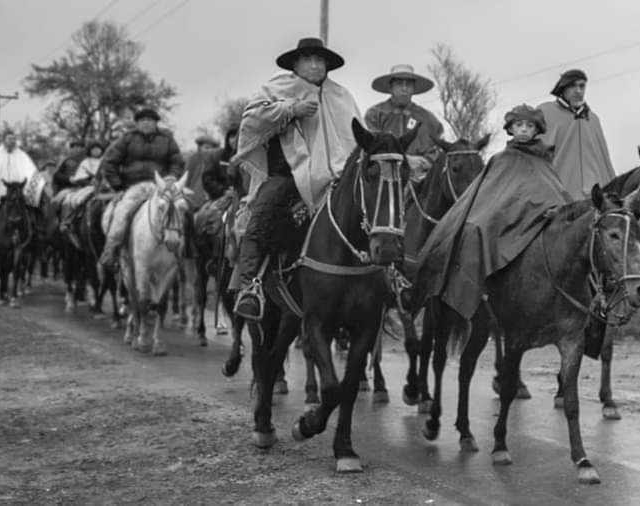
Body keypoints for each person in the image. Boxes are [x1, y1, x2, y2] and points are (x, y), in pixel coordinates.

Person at [232, 37, 363, 321]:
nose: (315, 65)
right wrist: (290, 109)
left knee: (375, 215)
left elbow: (358, 135)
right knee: (262, 215)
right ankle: (250, 286)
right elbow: (251, 119)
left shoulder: (342, 96)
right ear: (295, 64)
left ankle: (388, 282)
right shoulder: (278, 88)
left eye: (320, 60)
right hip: (288, 176)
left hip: (339, 176)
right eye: (308, 59)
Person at [417, 103, 570, 321]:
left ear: (537, 130)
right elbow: (489, 194)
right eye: (519, 125)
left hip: (538, 217)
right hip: (504, 216)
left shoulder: (544, 161)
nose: (524, 129)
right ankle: (475, 291)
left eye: (529, 125)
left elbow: (552, 191)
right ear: (511, 129)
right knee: (474, 230)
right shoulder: (500, 159)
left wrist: (553, 208)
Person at [97, 108, 185, 269]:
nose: (146, 123)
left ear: (155, 123)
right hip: (132, 186)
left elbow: (177, 162)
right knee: (121, 213)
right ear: (136, 123)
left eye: (149, 120)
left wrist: (172, 177)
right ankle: (111, 250)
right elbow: (109, 163)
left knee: (183, 208)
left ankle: (187, 252)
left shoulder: (167, 139)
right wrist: (118, 185)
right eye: (142, 120)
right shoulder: (126, 139)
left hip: (161, 186)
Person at [537, 69, 615, 200]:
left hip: (595, 197)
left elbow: (604, 159)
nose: (578, 91)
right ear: (563, 88)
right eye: (573, 86)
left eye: (582, 86)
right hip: (558, 195)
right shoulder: (545, 112)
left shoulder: (593, 119)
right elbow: (535, 156)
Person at [364, 64, 445, 182]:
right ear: (390, 87)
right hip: (383, 180)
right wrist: (405, 160)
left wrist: (422, 163)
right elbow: (370, 150)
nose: (404, 88)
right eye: (399, 84)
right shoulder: (375, 115)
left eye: (409, 84)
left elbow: (437, 154)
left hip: (420, 182)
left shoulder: (428, 119)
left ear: (414, 89)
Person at [0, 130, 38, 212]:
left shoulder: (21, 155)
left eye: (13, 139)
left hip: (16, 195)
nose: (12, 141)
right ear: (3, 140)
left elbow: (30, 169)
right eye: (9, 139)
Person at [184, 134, 221, 207]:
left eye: (212, 148)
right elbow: (187, 178)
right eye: (206, 148)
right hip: (194, 195)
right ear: (199, 148)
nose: (209, 151)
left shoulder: (217, 160)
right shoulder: (193, 159)